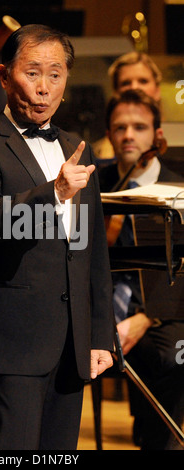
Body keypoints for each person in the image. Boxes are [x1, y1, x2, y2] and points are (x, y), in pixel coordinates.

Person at [0, 23, 114, 451]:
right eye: (33, 73)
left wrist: (100, 336)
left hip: (72, 343)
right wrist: (54, 192)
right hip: (14, 340)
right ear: (4, 76)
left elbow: (91, 250)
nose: (44, 88)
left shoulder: (78, 146)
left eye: (55, 74)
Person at [98, 88, 184, 450]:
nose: (128, 135)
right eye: (120, 127)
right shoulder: (93, 184)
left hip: (163, 309)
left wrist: (147, 316)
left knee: (177, 355)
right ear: (109, 135)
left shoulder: (179, 187)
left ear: (157, 135)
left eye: (139, 127)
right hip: (102, 307)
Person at [93, 51, 162, 159]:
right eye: (126, 83)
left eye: (143, 81)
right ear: (115, 92)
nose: (134, 88)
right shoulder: (98, 153)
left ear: (158, 90)